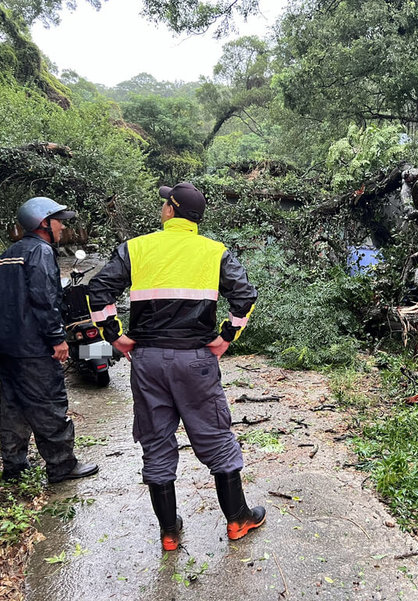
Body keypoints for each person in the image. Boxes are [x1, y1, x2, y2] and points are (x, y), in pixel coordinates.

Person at [87, 182, 264, 551]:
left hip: (148, 360)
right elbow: (244, 295)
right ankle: (237, 520)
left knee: (156, 441)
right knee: (215, 437)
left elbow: (97, 291)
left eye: (164, 204)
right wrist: (226, 337)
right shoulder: (214, 252)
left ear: (170, 210)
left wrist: (115, 335)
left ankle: (169, 532)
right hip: (195, 360)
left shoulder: (136, 247)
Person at [0, 197, 99, 485]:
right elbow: (44, 300)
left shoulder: (8, 254)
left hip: (9, 347)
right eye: (58, 221)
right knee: (49, 402)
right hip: (34, 347)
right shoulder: (41, 252)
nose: (62, 227)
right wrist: (57, 338)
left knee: (13, 405)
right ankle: (62, 465)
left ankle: (14, 466)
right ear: (43, 222)